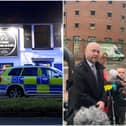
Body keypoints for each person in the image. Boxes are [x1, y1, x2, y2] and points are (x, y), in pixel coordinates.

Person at [69, 42, 107, 124]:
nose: (96, 54)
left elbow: (105, 86)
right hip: (85, 113)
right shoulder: (78, 70)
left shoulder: (100, 68)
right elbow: (80, 93)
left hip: (98, 111)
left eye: (98, 52)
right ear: (86, 52)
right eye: (93, 51)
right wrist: (97, 104)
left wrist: (103, 101)